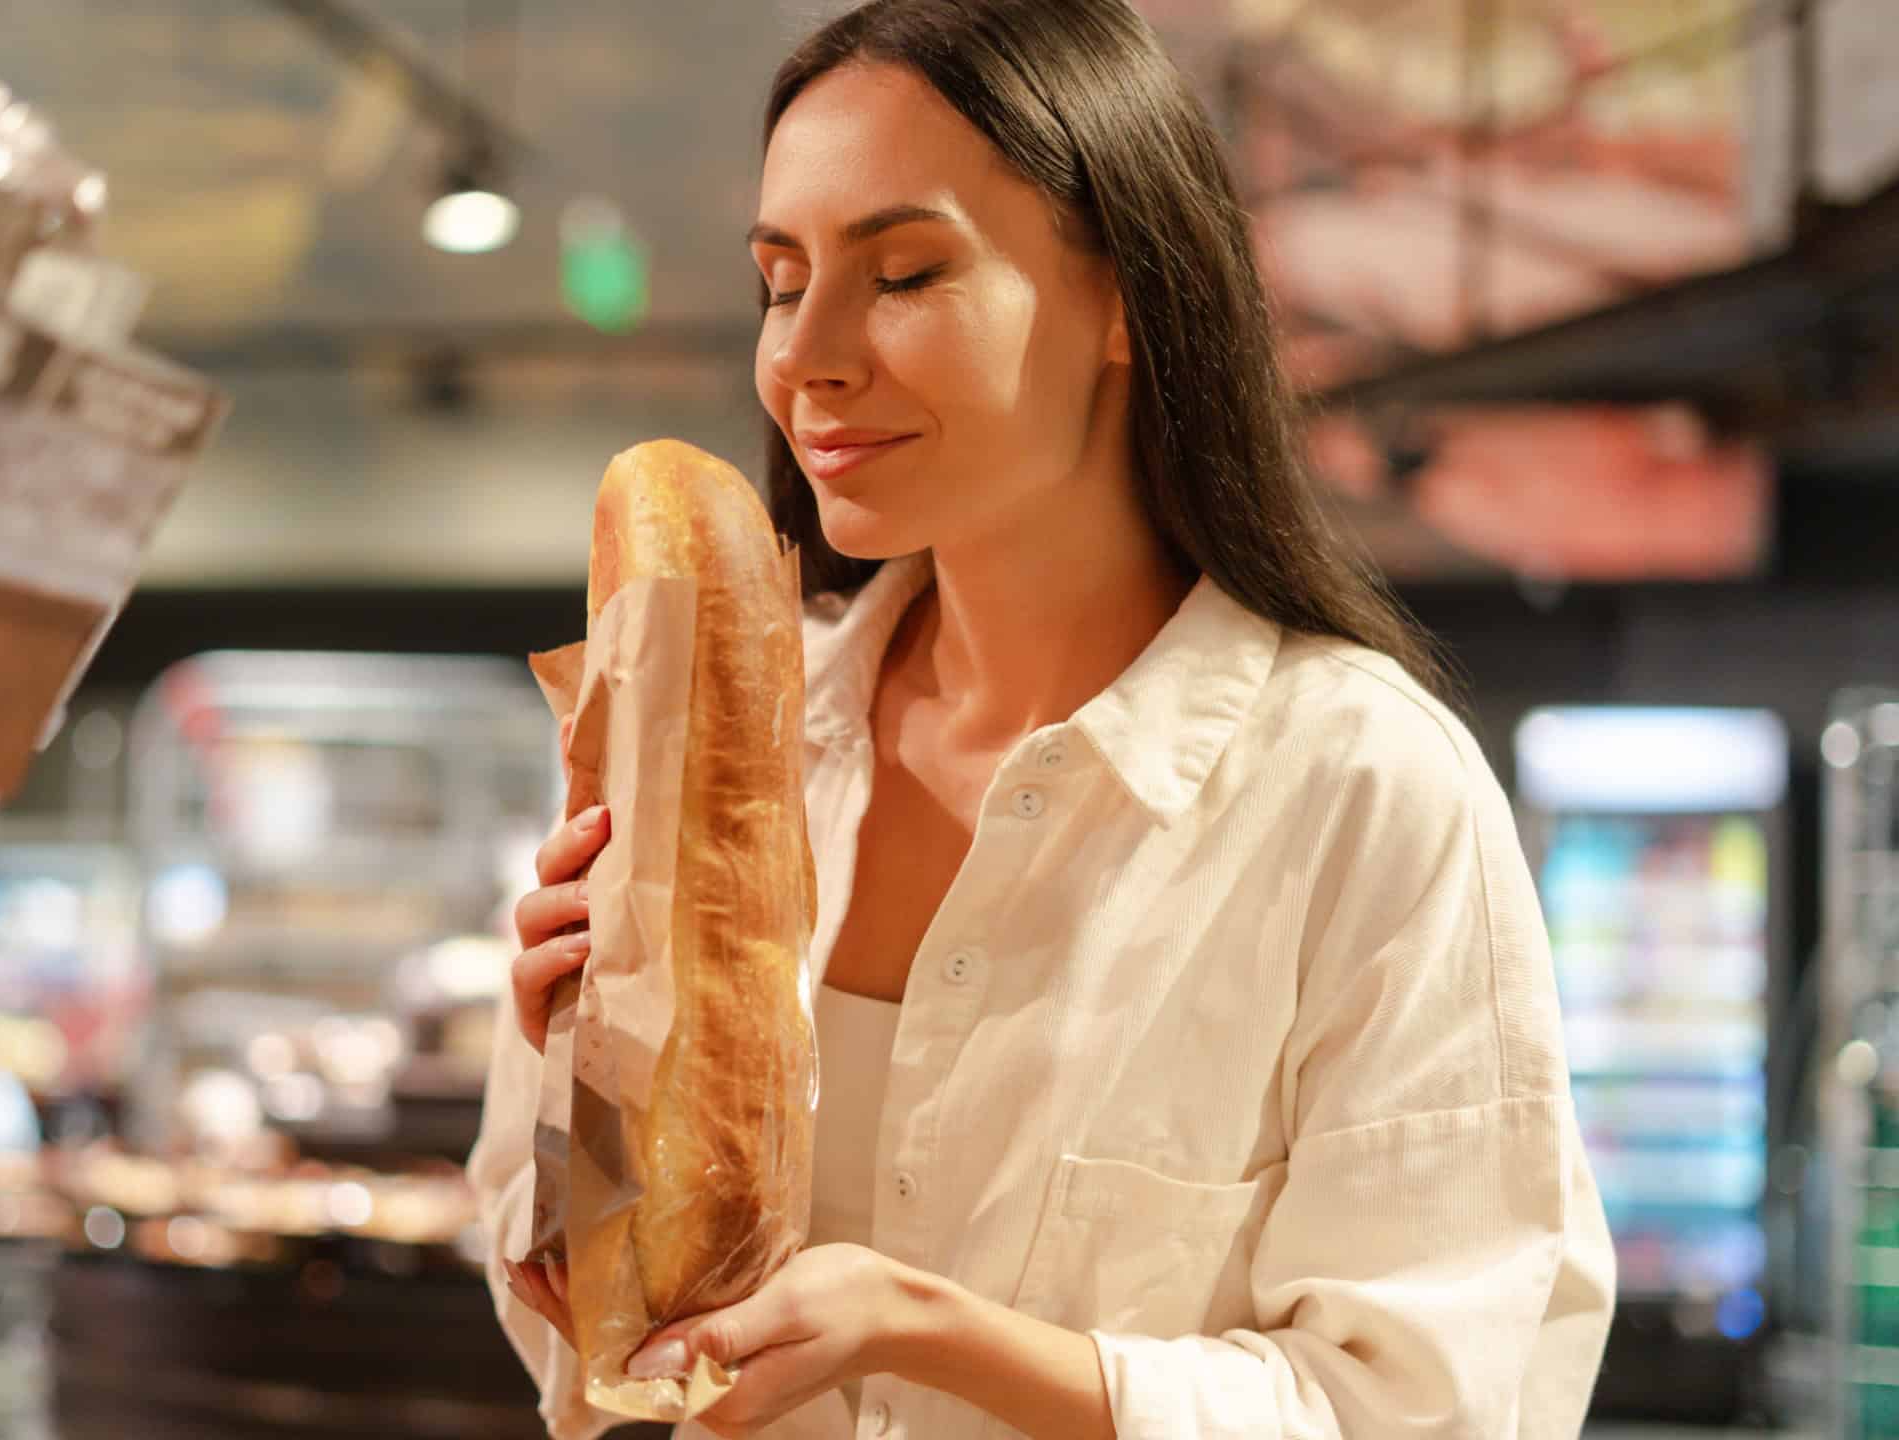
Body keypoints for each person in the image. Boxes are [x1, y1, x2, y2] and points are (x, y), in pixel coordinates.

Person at [465, 1, 1615, 1436]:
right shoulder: (730, 755)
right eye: (779, 279)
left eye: (903, 272)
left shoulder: (1359, 791)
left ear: (1129, 294)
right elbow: (591, 1356)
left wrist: (929, 1333)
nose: (807, 354)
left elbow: (1438, 1408)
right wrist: (567, 1097)